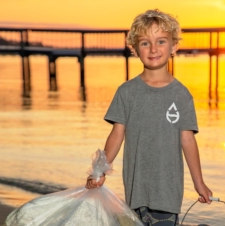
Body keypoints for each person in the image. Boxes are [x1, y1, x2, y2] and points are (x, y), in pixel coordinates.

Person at [86, 9, 212, 226]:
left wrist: (198, 182)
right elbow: (117, 134)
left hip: (167, 196)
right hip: (135, 193)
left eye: (161, 41)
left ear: (173, 46)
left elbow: (188, 140)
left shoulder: (181, 95)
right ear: (134, 49)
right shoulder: (127, 92)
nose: (153, 49)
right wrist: (99, 171)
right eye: (145, 43)